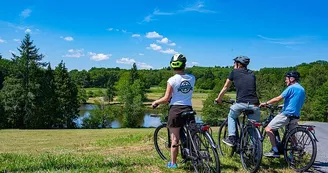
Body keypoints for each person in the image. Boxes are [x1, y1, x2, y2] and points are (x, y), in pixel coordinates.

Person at [152, 54, 196, 169]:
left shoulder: (172, 80)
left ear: (172, 65)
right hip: (188, 109)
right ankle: (193, 154)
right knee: (192, 135)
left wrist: (156, 102)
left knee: (175, 138)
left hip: (176, 110)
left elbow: (166, 98)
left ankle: (173, 163)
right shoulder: (192, 78)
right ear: (184, 65)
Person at [215, 56, 260, 146]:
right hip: (255, 104)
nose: (233, 65)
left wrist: (218, 99)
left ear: (238, 64)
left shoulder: (234, 72)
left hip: (241, 103)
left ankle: (232, 138)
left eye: (234, 63)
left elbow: (225, 87)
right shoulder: (252, 73)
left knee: (231, 116)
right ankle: (254, 150)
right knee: (252, 126)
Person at [260, 71, 305, 157]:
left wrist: (266, 103)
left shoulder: (291, 88)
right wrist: (284, 105)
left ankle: (275, 150)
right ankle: (297, 149)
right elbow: (295, 101)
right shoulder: (302, 89)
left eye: (286, 79)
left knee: (268, 129)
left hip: (287, 114)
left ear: (292, 79)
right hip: (296, 115)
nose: (285, 81)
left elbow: (278, 98)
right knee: (291, 134)